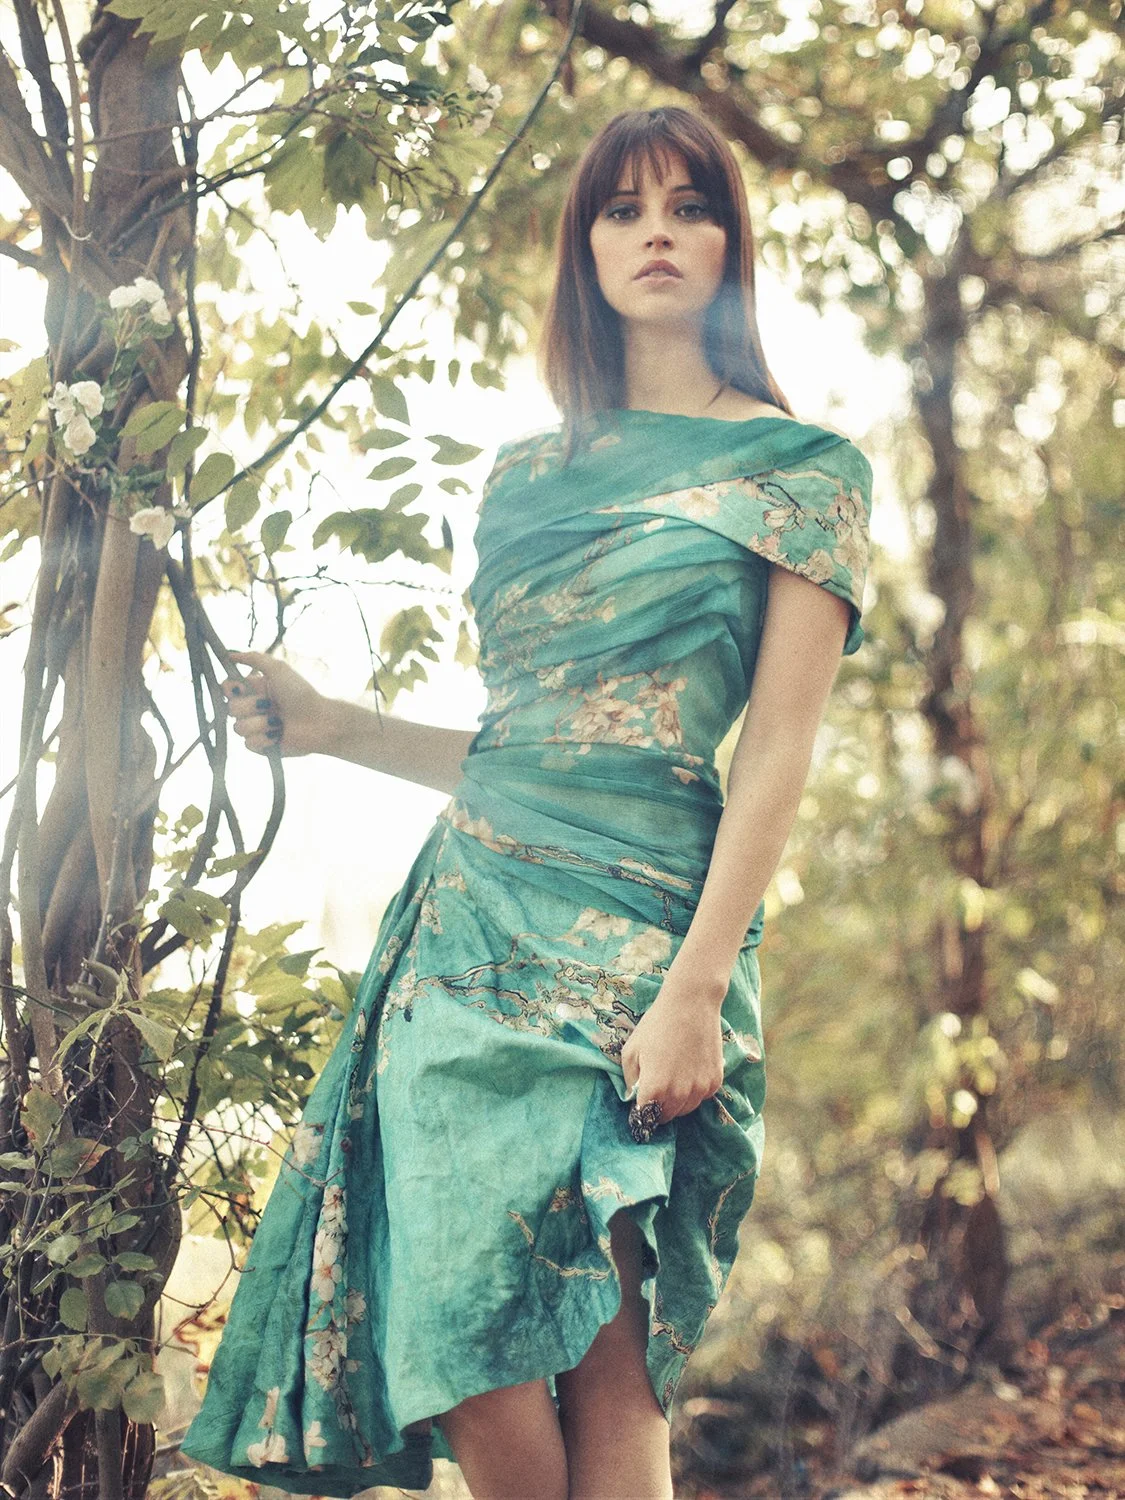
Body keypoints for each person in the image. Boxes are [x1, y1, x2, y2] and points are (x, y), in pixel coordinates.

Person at [179, 104, 873, 1500]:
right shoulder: (520, 480)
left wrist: (696, 987)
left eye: (690, 204)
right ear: (586, 248)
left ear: (733, 241)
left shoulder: (803, 474)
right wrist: (331, 726)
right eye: (625, 209)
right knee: (466, 1342)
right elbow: (528, 744)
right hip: (469, 932)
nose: (659, 231)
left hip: (647, 940)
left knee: (612, 1356)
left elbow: (775, 755)